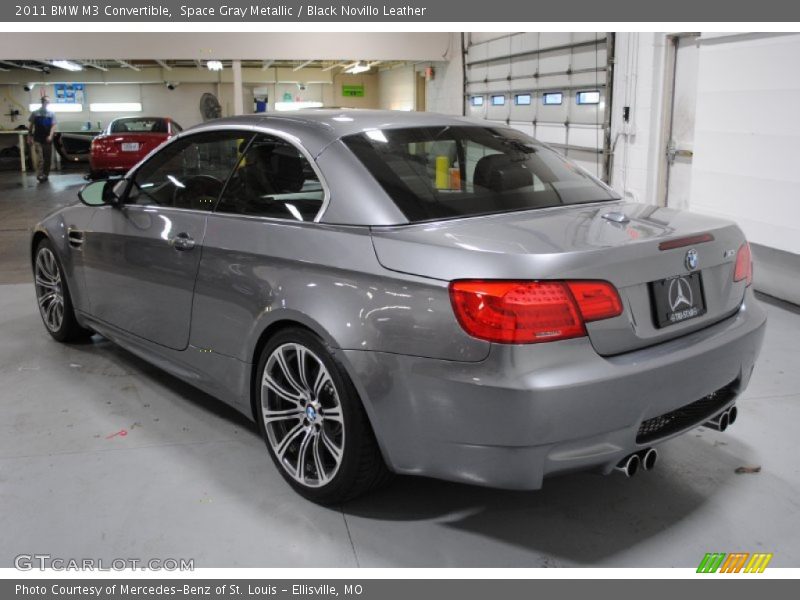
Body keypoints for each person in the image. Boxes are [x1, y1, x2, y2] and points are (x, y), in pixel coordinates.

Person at [28, 96, 57, 182]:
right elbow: (31, 125)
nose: (47, 103)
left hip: (47, 139)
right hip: (38, 139)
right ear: (42, 102)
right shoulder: (35, 113)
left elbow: (53, 126)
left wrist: (51, 136)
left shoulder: (51, 113)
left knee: (47, 158)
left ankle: (46, 174)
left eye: (48, 102)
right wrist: (29, 136)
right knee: (40, 158)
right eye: (46, 101)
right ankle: (40, 175)